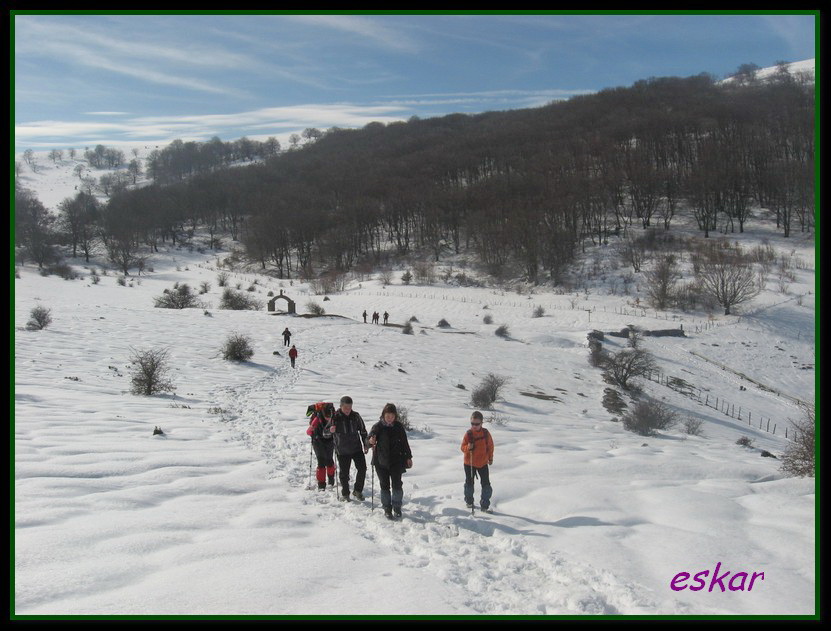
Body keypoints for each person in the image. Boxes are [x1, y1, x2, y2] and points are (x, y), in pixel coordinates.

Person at [368, 403, 413, 519]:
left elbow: (404, 443)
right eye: (388, 415)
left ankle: (397, 507)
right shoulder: (378, 426)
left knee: (397, 485)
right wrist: (370, 441)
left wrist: (409, 457)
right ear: (383, 415)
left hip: (396, 461)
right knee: (385, 486)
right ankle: (387, 508)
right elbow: (369, 440)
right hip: (381, 461)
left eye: (392, 416)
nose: (390, 418)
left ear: (395, 416)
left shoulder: (398, 427)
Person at [329, 396, 368, 501]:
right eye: (346, 407)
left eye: (350, 407)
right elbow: (325, 433)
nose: (348, 410)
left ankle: (357, 491)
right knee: (344, 474)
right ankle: (345, 494)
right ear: (341, 406)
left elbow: (363, 431)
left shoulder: (356, 416)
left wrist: (366, 443)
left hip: (356, 448)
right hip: (342, 450)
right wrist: (330, 431)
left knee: (362, 469)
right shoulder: (335, 417)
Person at [460, 411, 494, 512]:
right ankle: (469, 502)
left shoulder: (486, 433)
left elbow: (490, 447)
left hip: (483, 463)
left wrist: (490, 458)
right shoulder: (468, 434)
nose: (474, 426)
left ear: (481, 423)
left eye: (477, 424)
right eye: (472, 424)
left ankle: (484, 505)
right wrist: (468, 447)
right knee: (469, 483)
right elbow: (462, 447)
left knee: (486, 484)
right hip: (469, 463)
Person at [306, 402, 336, 490]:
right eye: (326, 417)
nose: (328, 419)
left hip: (329, 441)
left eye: (329, 417)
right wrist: (311, 429)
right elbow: (308, 432)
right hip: (317, 441)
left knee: (329, 460)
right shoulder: (317, 418)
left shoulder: (334, 417)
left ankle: (331, 479)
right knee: (321, 461)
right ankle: (321, 484)